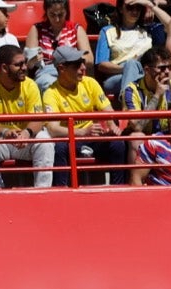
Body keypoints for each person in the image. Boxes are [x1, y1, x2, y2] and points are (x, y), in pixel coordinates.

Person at [0, 45, 57, 188]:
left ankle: (43, 192)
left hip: (24, 140)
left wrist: (27, 133)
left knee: (45, 139)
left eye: (24, 63)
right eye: (18, 65)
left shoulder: (30, 85)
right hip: (0, 140)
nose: (24, 67)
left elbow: (38, 120)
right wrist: (4, 132)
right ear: (4, 68)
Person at [43, 46, 126, 185]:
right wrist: (82, 132)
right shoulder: (50, 94)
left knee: (118, 144)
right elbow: (53, 129)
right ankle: (62, 192)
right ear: (61, 68)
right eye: (76, 64)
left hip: (93, 137)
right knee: (58, 148)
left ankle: (118, 190)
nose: (83, 67)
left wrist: (112, 126)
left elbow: (108, 111)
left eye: (82, 62)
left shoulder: (90, 83)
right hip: (70, 140)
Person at [94, 0, 162, 96]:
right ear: (121, 9)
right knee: (131, 64)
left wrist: (150, 5)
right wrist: (127, 68)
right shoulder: (108, 31)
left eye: (138, 8)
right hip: (117, 75)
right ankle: (129, 101)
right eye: (130, 7)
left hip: (145, 74)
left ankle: (130, 103)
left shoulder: (148, 30)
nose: (135, 12)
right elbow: (102, 65)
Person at [28, 0, 93, 90]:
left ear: (67, 11)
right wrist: (34, 59)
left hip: (71, 72)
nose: (57, 19)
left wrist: (72, 59)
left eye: (60, 15)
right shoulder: (36, 29)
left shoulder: (76, 29)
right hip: (46, 72)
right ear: (46, 12)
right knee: (51, 86)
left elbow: (90, 59)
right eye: (52, 15)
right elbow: (28, 63)